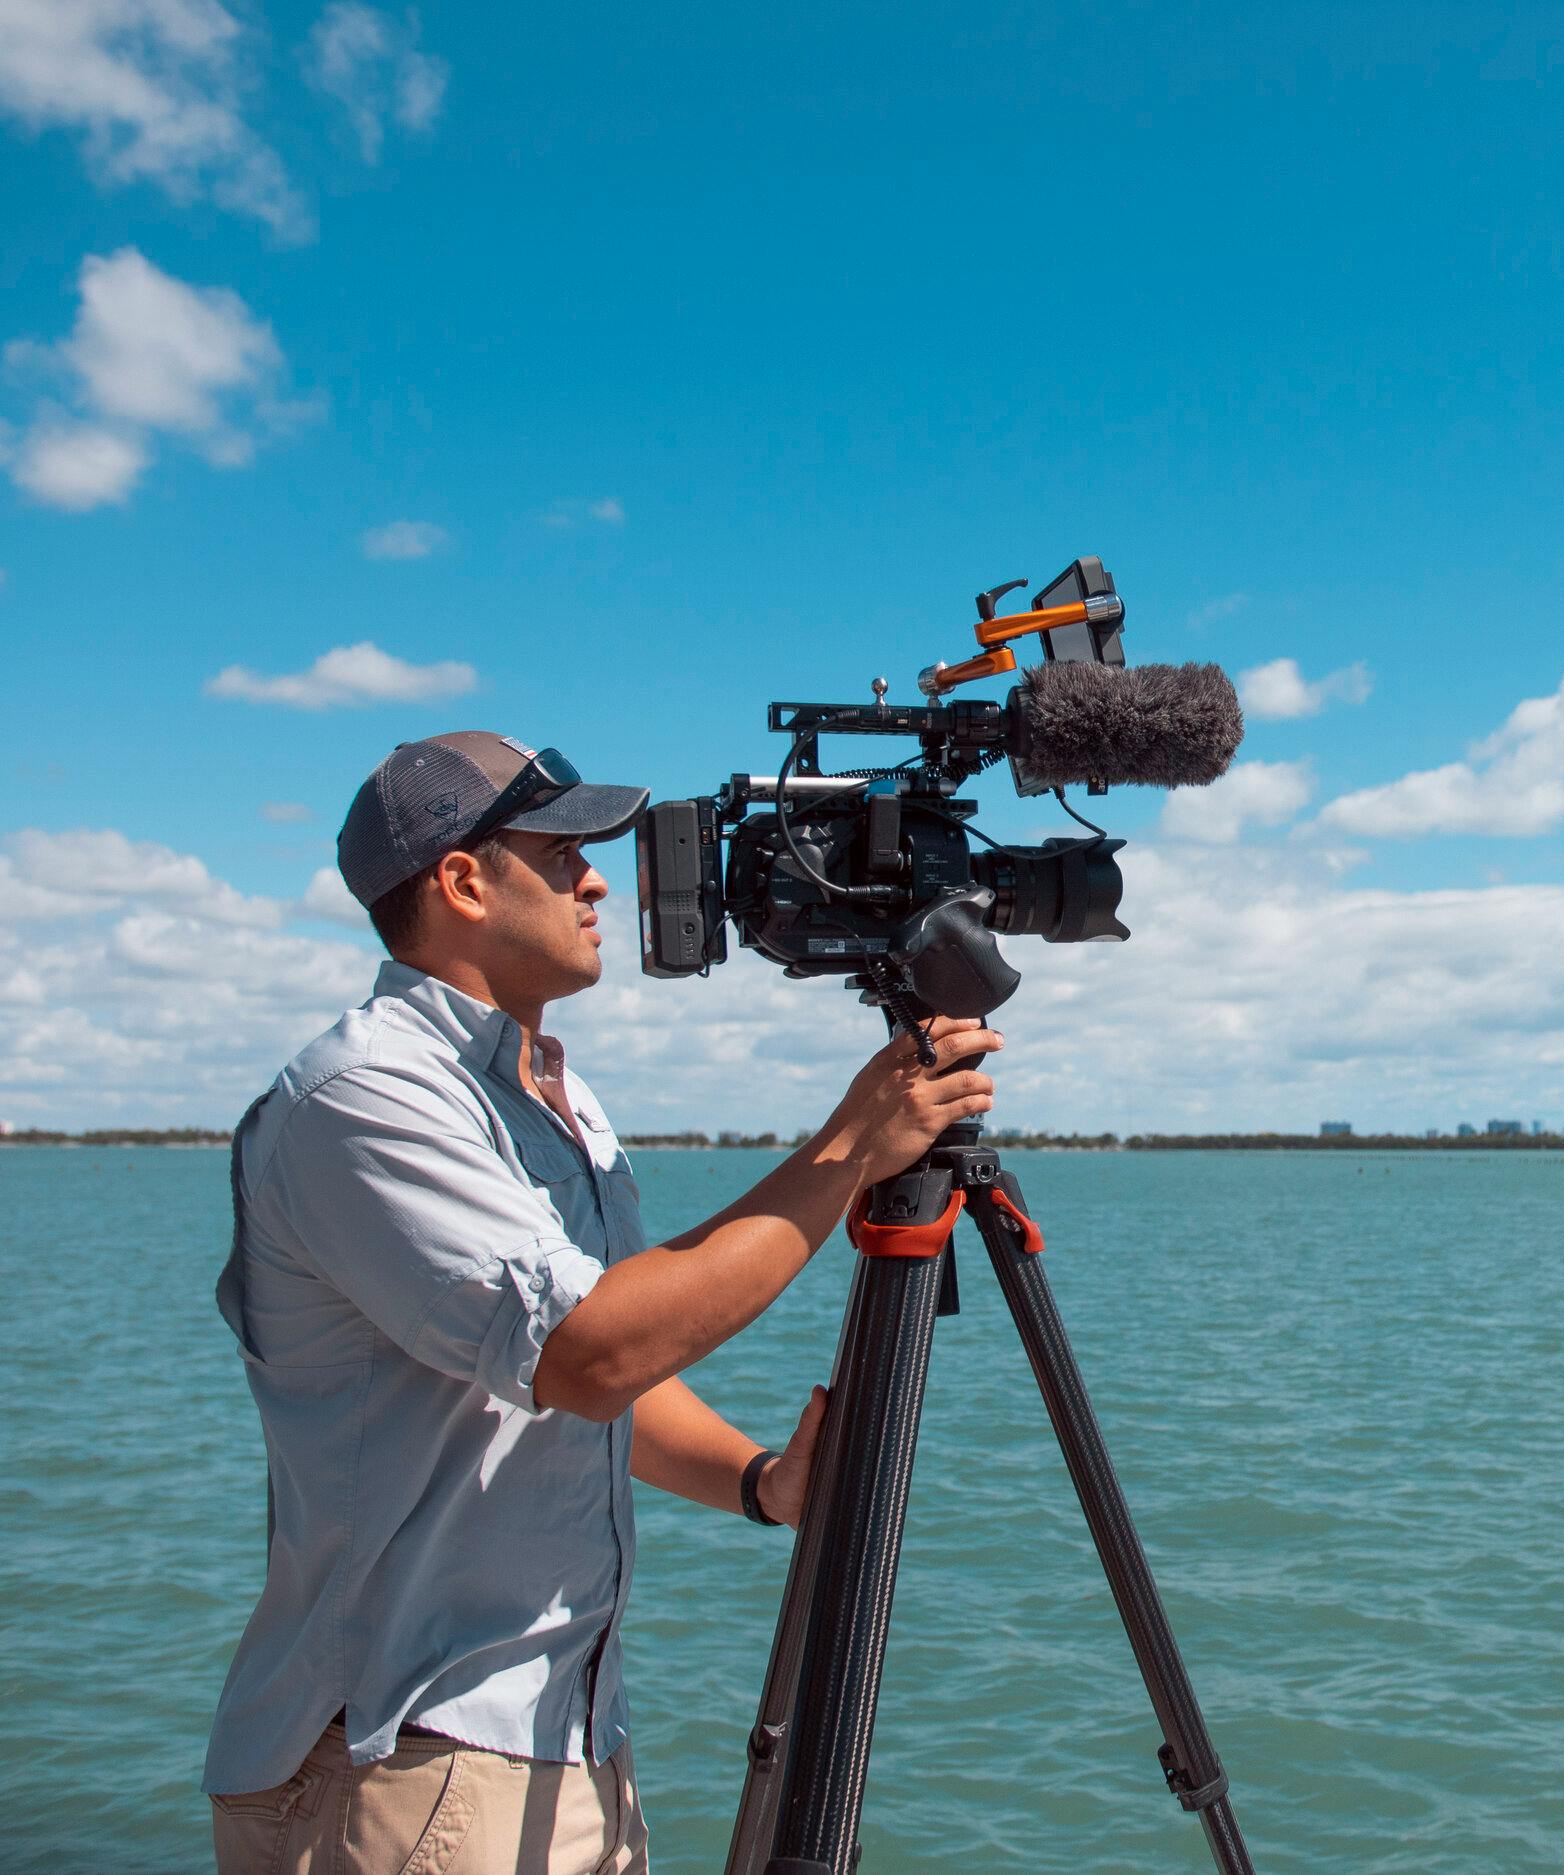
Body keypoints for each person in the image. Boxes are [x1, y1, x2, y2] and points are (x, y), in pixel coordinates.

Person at [204, 731, 1002, 1873]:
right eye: (562, 851)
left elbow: (580, 1374)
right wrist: (846, 1153)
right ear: (463, 882)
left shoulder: (546, 1097)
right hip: (402, 1762)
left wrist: (763, 1486)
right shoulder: (365, 1098)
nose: (594, 880)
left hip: (559, 1743)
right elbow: (586, 1354)